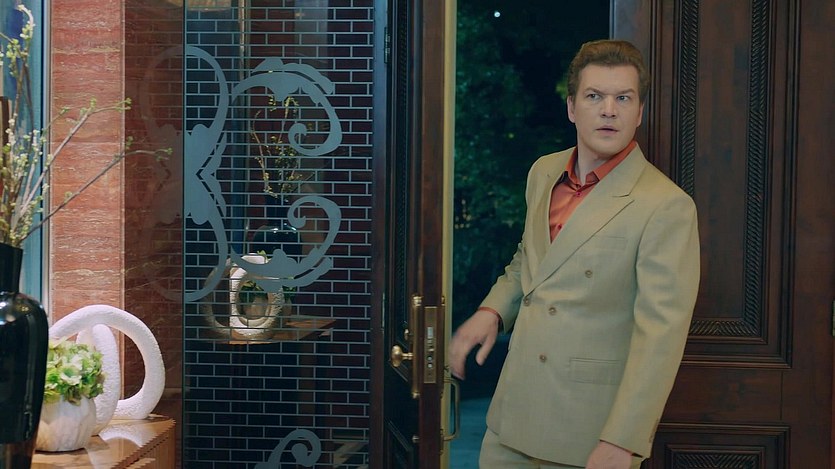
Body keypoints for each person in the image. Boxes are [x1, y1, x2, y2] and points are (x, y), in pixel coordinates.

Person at [448, 39, 700, 469]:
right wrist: (491, 311)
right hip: (511, 419)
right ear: (571, 107)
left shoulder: (666, 205)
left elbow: (661, 338)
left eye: (624, 98)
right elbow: (530, 260)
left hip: (589, 434)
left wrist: (622, 440)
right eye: (595, 96)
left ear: (640, 112)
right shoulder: (543, 171)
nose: (609, 110)